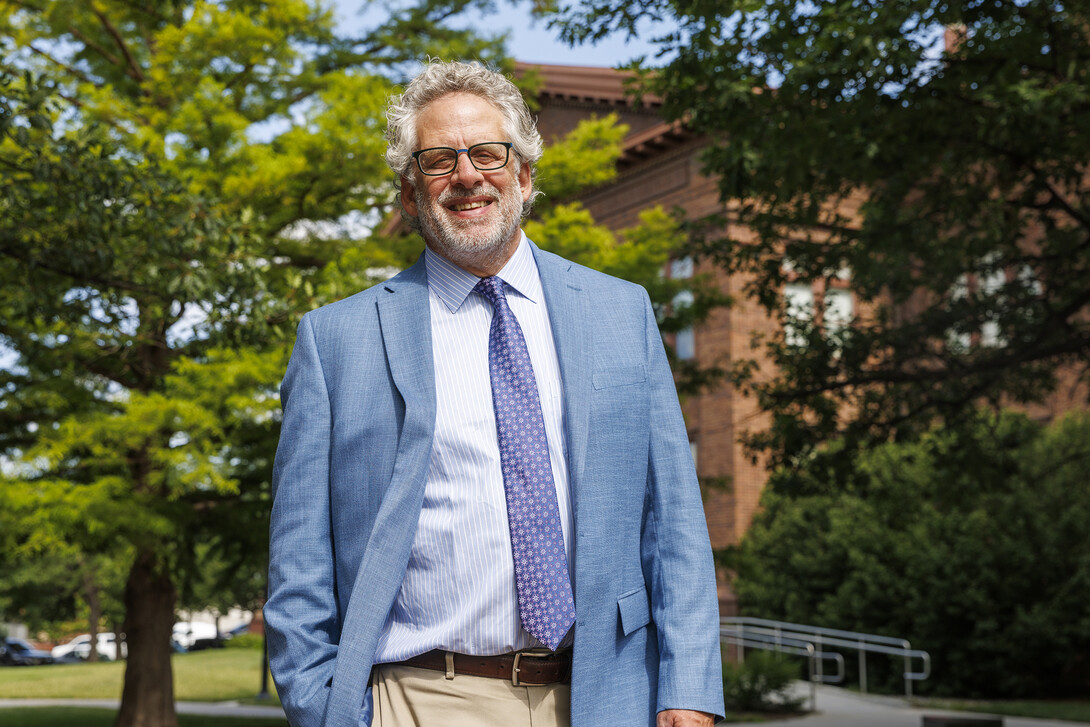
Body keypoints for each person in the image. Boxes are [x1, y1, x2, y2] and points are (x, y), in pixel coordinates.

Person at [265, 60, 724, 727]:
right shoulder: (335, 341)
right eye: (438, 160)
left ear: (524, 174)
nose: (467, 175)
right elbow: (298, 564)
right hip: (424, 697)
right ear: (408, 193)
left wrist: (688, 686)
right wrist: (325, 710)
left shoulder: (621, 312)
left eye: (486, 153)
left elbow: (673, 521)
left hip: (610, 693)